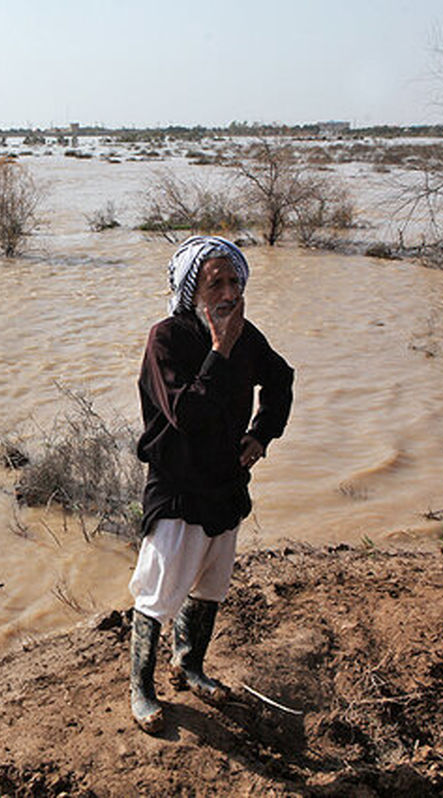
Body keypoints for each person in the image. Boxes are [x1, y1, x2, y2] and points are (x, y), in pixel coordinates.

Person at [128, 235, 294, 733]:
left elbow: (281, 378)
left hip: (225, 481)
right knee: (156, 594)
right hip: (178, 486)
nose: (227, 292)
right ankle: (141, 688)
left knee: (211, 587)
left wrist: (261, 435)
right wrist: (219, 350)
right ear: (190, 290)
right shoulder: (167, 338)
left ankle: (189, 663)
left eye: (234, 281)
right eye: (214, 282)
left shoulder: (246, 335)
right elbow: (185, 415)